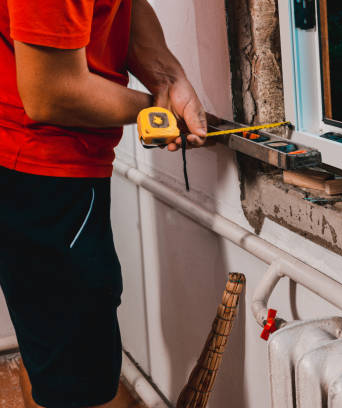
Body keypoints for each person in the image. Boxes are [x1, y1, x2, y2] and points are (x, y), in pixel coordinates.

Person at [0, 1, 212, 406]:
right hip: (39, 172)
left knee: (52, 348)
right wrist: (159, 111)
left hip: (50, 167)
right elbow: (49, 92)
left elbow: (120, 8)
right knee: (76, 384)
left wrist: (169, 81)